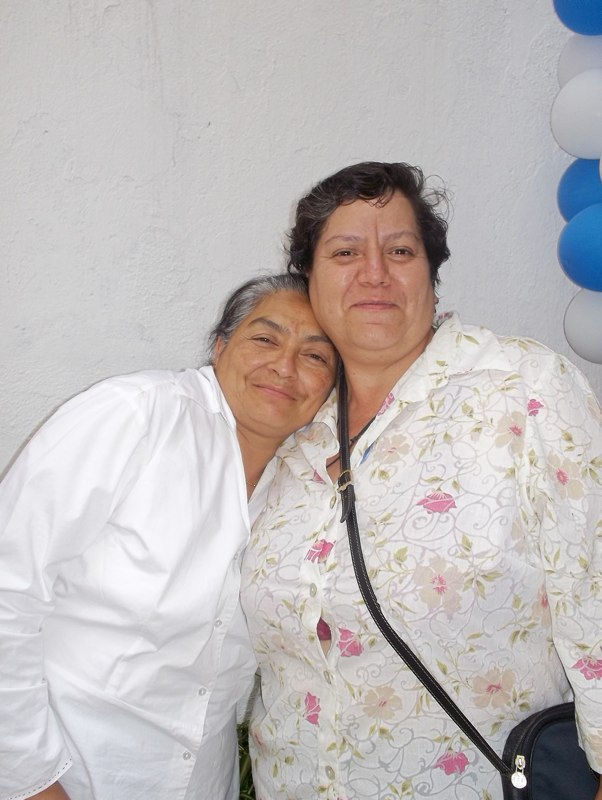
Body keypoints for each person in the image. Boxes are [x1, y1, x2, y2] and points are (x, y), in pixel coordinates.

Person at [241, 162, 602, 800]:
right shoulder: (294, 425)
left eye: (401, 251)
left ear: (432, 273)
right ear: (310, 280)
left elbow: (594, 591)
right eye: (345, 253)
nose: (374, 272)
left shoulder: (521, 388)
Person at [0, 273, 336, 800]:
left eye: (315, 356)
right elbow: (8, 589)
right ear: (220, 345)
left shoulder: (307, 484)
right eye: (265, 338)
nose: (284, 366)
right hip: (69, 770)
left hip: (200, 781)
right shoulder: (136, 415)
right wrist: (31, 781)